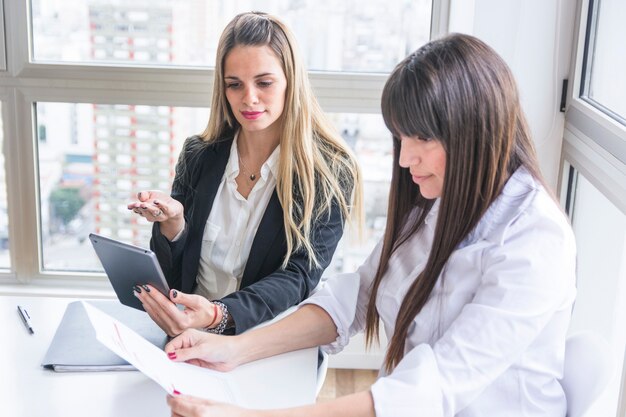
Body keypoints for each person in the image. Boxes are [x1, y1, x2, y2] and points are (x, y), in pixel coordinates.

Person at [162, 33, 577, 417]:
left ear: (475, 133)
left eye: (422, 139)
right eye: (401, 139)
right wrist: (235, 349)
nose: (404, 159)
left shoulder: (535, 240)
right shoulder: (435, 204)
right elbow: (358, 297)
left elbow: (432, 388)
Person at [127, 11, 362, 337]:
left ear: (290, 81)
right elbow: (174, 279)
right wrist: (173, 226)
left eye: (264, 83)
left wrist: (218, 314)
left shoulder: (330, 172)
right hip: (188, 336)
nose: (249, 98)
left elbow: (299, 277)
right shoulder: (199, 155)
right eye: (234, 85)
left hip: (264, 341)